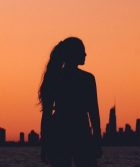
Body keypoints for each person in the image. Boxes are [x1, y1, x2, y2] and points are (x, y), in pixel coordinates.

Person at [38, 37, 102, 167]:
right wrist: (97, 140)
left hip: (58, 133)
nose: (85, 54)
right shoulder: (87, 79)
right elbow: (93, 112)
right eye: (82, 51)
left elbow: (47, 116)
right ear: (73, 54)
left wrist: (45, 144)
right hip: (81, 132)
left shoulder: (55, 77)